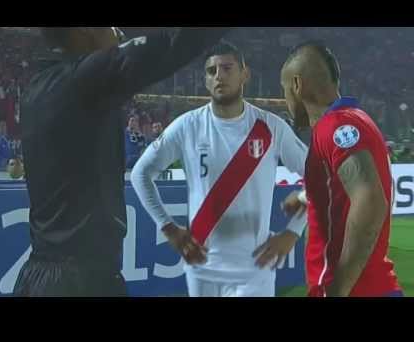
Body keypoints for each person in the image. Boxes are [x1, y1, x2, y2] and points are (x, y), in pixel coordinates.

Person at [14, 27, 231, 297]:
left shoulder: (40, 87)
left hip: (47, 274)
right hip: (77, 282)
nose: (119, 33)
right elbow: (175, 43)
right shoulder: (81, 81)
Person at [131, 41, 308, 297]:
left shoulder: (271, 128)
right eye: (212, 71)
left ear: (244, 74)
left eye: (227, 68)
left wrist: (293, 232)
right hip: (201, 268)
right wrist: (168, 227)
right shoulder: (187, 126)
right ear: (205, 80)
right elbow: (140, 174)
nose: (219, 76)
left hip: (255, 269)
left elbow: (320, 175)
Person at [280, 41, 402, 297]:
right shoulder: (354, 120)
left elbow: (370, 201)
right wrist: (306, 197)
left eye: (285, 89)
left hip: (358, 291)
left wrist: (338, 289)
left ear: (297, 85)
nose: (285, 99)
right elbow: (349, 185)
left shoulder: (335, 127)